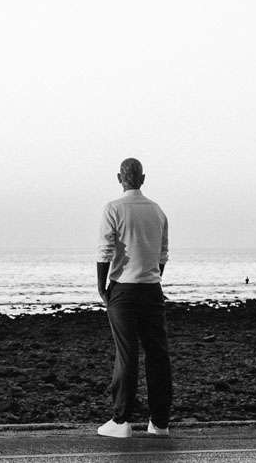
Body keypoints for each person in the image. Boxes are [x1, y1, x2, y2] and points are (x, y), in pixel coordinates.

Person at [95, 158, 171, 439]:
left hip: (124, 290)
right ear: (143, 178)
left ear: (119, 178)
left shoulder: (113, 208)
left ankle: (121, 420)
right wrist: (153, 276)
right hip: (151, 288)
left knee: (127, 354)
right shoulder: (157, 211)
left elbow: (105, 251)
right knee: (157, 355)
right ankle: (159, 423)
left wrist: (102, 287)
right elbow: (162, 254)